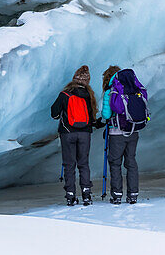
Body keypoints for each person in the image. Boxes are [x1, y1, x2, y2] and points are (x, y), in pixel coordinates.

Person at [50, 65, 101, 206]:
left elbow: (54, 113)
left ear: (74, 79)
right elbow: (92, 117)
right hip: (85, 134)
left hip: (67, 133)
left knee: (69, 165)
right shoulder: (89, 96)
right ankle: (86, 194)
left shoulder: (65, 94)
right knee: (83, 164)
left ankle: (70, 195)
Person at [100, 66, 150, 204]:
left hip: (117, 133)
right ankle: (133, 194)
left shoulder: (111, 91)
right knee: (131, 162)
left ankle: (117, 195)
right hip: (134, 130)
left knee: (115, 163)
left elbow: (106, 114)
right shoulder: (134, 88)